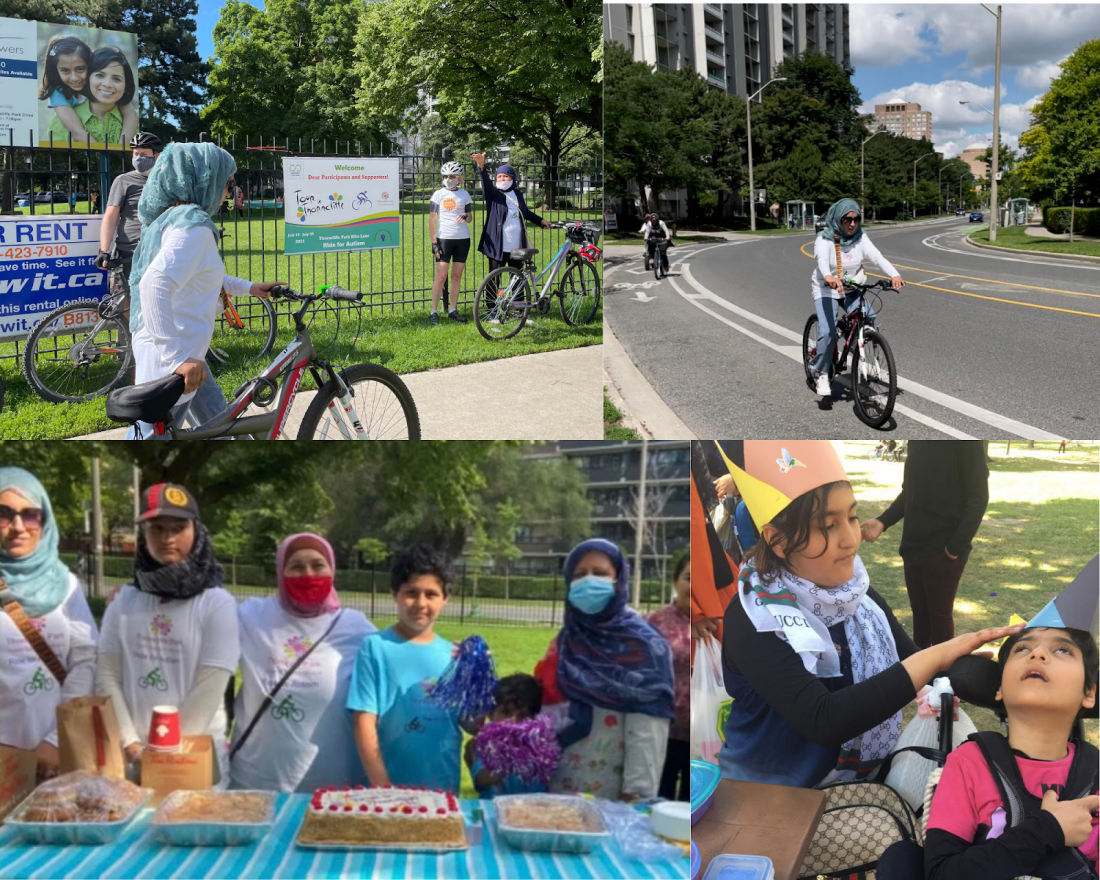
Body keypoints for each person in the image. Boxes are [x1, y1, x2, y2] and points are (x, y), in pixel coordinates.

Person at [715, 441, 1023, 789]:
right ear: (779, 541)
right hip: (766, 794)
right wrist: (935, 657)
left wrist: (1012, 678)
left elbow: (923, 666)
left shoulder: (856, 595)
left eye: (851, 516)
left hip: (854, 786)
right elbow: (824, 719)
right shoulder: (755, 616)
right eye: (827, 526)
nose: (851, 539)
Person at [125, 141, 284, 437]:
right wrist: (177, 361)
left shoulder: (170, 218)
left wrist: (251, 288)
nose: (228, 191)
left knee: (222, 425)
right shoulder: (193, 227)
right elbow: (153, 284)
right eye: (226, 182)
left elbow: (200, 275)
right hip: (176, 365)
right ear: (203, 179)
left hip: (188, 354)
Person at [922, 625, 1099, 878]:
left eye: (1062, 649)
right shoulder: (969, 764)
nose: (1037, 653)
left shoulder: (1096, 772)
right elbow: (939, 874)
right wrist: (1046, 832)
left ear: (1089, 693)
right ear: (1000, 689)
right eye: (1022, 648)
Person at [94, 483, 240, 785]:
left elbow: (210, 688)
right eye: (156, 528)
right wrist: (133, 745)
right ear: (143, 534)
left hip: (193, 759)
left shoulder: (217, 604)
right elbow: (107, 676)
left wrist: (162, 754)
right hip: (132, 762)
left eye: (178, 527)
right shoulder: (124, 602)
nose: (167, 538)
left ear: (196, 531)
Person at [230, 533, 376, 792]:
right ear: (280, 571)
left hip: (333, 788)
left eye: (318, 565)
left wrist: (447, 658)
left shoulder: (357, 628)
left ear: (332, 570)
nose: (308, 574)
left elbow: (398, 660)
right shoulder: (250, 615)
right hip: (253, 783)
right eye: (296, 566)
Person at [534, 538, 674, 801]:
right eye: (579, 574)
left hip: (615, 792)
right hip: (558, 783)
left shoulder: (645, 644)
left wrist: (637, 795)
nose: (589, 581)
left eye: (600, 574)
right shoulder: (567, 639)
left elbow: (649, 729)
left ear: (619, 579)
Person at [0, 467, 99, 782]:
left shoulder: (65, 585)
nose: (18, 527)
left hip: (60, 756)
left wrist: (56, 740)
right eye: (4, 514)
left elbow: (86, 661)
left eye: (31, 515)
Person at [347, 545, 463, 792]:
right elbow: (363, 721)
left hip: (443, 788)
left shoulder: (455, 655)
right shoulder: (375, 647)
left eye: (431, 594)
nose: (420, 603)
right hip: (387, 788)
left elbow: (471, 722)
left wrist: (478, 677)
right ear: (394, 594)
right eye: (411, 592)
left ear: (445, 599)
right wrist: (383, 788)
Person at [861, 441, 989, 648]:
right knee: (920, 616)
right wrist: (883, 521)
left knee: (939, 618)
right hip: (912, 547)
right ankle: (921, 672)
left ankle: (942, 677)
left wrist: (954, 549)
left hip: (943, 550)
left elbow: (978, 497)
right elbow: (909, 492)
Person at [810, 199, 905, 398]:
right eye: (847, 219)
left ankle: (855, 342)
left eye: (856, 219)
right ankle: (820, 372)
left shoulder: (860, 238)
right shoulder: (826, 238)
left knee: (868, 316)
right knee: (827, 333)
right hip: (827, 289)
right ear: (838, 219)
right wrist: (828, 276)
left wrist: (894, 275)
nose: (852, 224)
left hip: (851, 288)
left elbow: (877, 258)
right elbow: (821, 260)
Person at [469, 152, 550, 314]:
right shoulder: (494, 194)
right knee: (493, 279)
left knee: (517, 279)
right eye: (499, 177)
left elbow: (525, 213)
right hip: (498, 246)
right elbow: (485, 183)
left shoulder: (518, 194)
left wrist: (541, 221)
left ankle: (518, 311)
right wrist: (481, 166)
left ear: (513, 178)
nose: (501, 180)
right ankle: (491, 311)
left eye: (505, 176)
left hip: (517, 246)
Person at [96, 131, 164, 323]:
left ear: (156, 156)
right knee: (126, 305)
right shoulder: (123, 181)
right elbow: (110, 216)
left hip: (157, 251)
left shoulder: (165, 181)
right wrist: (104, 250)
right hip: (129, 252)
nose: (139, 158)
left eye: (144, 154)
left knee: (156, 302)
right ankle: (128, 349)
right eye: (136, 154)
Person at [464, 673, 550, 798]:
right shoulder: (485, 743)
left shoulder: (539, 744)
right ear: (490, 714)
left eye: (523, 716)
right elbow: (480, 781)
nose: (512, 721)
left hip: (531, 810)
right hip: (493, 811)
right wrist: (509, 762)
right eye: (506, 712)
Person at [647, 552, 690, 801]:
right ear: (675, 582)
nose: (693, 586)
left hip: (705, 736)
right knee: (659, 800)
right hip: (663, 733)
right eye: (687, 578)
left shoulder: (718, 620)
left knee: (694, 804)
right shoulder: (655, 623)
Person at [47, 46, 138, 147]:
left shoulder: (136, 119)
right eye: (100, 75)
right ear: (88, 78)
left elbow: (132, 115)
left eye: (116, 79)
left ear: (126, 86)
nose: (107, 84)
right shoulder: (61, 122)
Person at [427, 161, 472, 326]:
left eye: (451, 176)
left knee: (456, 276)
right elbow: (432, 220)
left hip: (462, 239)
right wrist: (434, 242)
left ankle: (452, 310)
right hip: (444, 239)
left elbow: (470, 217)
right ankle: (434, 311)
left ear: (459, 178)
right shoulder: (438, 194)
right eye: (445, 176)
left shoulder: (465, 194)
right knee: (441, 275)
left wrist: (466, 216)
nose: (448, 179)